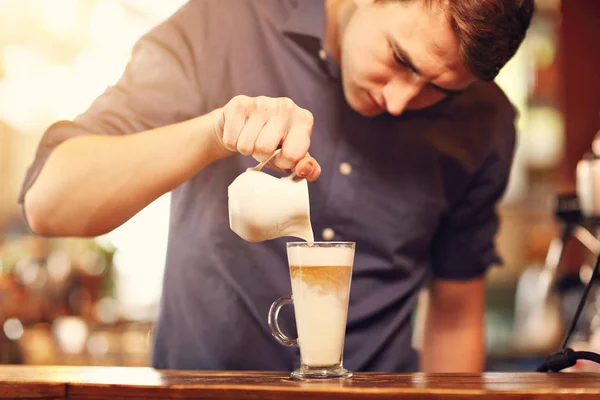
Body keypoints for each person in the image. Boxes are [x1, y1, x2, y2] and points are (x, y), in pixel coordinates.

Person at [19, 0, 534, 372]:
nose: (401, 101)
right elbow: (50, 201)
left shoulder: (484, 124)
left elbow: (454, 314)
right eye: (401, 59)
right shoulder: (222, 24)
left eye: (439, 90)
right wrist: (215, 131)